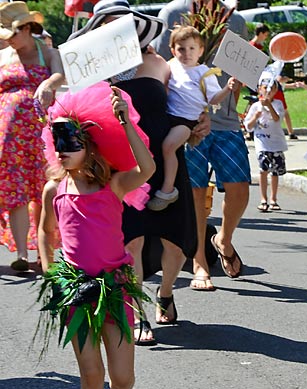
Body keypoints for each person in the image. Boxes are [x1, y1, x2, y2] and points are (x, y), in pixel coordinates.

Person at [36, 85, 155, 389]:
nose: (64, 150)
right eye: (59, 143)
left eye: (71, 142)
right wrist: (53, 273)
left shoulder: (112, 185)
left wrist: (124, 121)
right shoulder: (56, 189)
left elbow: (148, 170)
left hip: (114, 287)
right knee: (89, 373)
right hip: (76, 291)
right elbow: (45, 234)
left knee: (122, 377)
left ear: (89, 144)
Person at [70, 0, 198, 341]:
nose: (115, 31)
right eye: (108, 25)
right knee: (133, 242)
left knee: (177, 243)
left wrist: (198, 123)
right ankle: (138, 311)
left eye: (121, 24)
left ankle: (165, 293)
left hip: (165, 158)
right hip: (122, 164)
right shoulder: (92, 71)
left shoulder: (158, 62)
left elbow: (184, 104)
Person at [156, 0, 252, 287]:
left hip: (225, 121)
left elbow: (242, 70)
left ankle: (223, 238)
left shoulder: (235, 20)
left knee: (240, 187)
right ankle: (200, 263)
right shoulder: (172, 14)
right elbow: (161, 70)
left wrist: (233, 94)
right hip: (186, 122)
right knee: (196, 194)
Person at [0, 1, 64, 273]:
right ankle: (23, 254)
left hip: (39, 134)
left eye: (12, 33)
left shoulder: (47, 52)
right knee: (15, 190)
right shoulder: (4, 55)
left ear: (27, 28)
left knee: (42, 190)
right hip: (8, 137)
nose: (9, 40)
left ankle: (43, 252)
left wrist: (48, 83)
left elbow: (60, 73)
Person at [148, 26, 237, 211]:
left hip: (187, 120)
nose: (186, 53)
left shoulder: (204, 73)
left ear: (200, 51)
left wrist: (227, 89)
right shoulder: (171, 65)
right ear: (173, 50)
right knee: (159, 147)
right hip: (168, 115)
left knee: (169, 147)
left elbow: (213, 99)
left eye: (192, 48)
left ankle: (168, 189)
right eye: (181, 49)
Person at [243, 77, 287, 212]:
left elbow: (277, 119)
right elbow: (248, 126)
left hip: (276, 143)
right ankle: (263, 198)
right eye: (265, 88)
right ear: (259, 90)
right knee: (263, 170)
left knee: (275, 172)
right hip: (262, 143)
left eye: (272, 89)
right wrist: (255, 117)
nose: (269, 91)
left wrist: (268, 106)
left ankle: (273, 199)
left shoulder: (278, 103)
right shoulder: (255, 106)